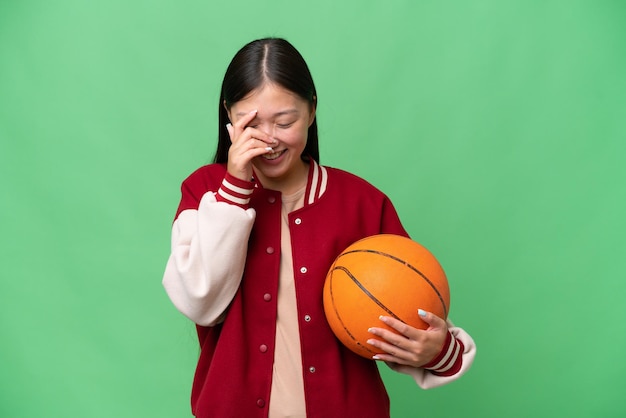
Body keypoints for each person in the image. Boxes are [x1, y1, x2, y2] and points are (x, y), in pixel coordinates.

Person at [162, 37, 476, 418]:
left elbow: (410, 314)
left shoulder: (363, 203)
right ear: (228, 116)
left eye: (285, 121)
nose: (269, 140)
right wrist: (234, 190)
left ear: (312, 111)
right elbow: (200, 302)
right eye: (251, 123)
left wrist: (438, 350)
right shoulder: (204, 191)